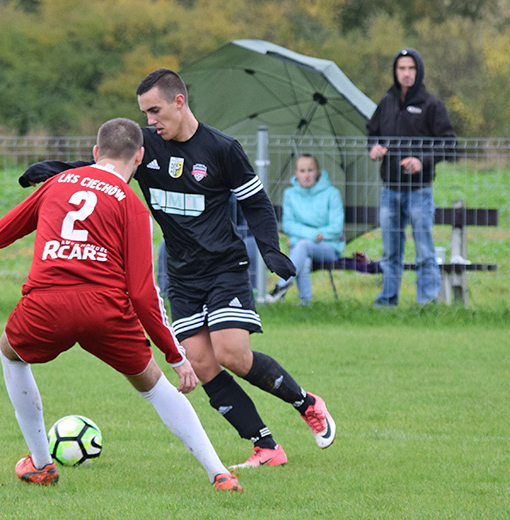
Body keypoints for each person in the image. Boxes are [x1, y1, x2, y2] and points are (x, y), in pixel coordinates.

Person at [19, 69, 336, 468]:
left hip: (224, 266)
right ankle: (266, 447)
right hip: (181, 273)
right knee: (202, 363)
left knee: (232, 353)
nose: (149, 122)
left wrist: (270, 251)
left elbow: (256, 204)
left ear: (179, 102)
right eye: (144, 114)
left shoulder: (222, 149)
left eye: (154, 111)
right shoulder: (146, 147)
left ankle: (306, 403)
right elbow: (104, 170)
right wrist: (58, 170)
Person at [0, 118, 242, 491]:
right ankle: (218, 473)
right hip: (105, 310)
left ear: (95, 153)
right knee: (154, 386)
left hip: (48, 302)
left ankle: (41, 465)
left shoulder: (57, 183)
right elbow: (142, 293)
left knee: (11, 354)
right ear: (139, 156)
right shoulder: (133, 206)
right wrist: (174, 356)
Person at [367, 48, 456, 307]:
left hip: (419, 190)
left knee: (425, 250)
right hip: (389, 190)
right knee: (390, 251)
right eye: (401, 68)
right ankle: (387, 300)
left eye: (411, 68)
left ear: (419, 71)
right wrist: (374, 147)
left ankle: (427, 302)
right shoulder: (386, 102)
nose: (406, 74)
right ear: (395, 72)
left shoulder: (432, 105)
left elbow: (448, 143)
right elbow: (371, 133)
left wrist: (422, 161)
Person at [268, 154, 344, 305]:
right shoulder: (289, 194)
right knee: (304, 258)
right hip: (303, 247)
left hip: (329, 247)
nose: (307, 175)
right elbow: (288, 225)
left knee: (302, 246)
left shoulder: (332, 193)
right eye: (302, 171)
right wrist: (315, 234)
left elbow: (336, 228)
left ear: (318, 172)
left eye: (311, 170)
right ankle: (306, 304)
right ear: (295, 173)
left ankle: (282, 285)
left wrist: (301, 237)